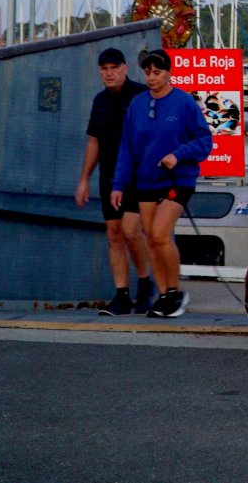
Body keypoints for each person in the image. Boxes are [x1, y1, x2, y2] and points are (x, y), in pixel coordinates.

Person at [110, 48, 213, 318]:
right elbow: (127, 148)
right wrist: (118, 183)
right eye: (148, 72)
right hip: (145, 182)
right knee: (152, 240)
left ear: (169, 73)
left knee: (159, 234)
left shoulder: (184, 103)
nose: (152, 78)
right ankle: (164, 294)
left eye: (158, 72)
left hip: (178, 179)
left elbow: (204, 141)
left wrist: (178, 154)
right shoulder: (137, 104)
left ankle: (175, 293)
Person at [74, 48, 154, 316]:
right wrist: (84, 179)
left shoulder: (142, 96)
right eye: (103, 68)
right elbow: (94, 141)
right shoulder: (99, 101)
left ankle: (145, 286)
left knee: (132, 231)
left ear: (125, 68)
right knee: (113, 234)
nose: (108, 73)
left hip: (137, 177)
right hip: (108, 177)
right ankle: (121, 295)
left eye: (113, 68)